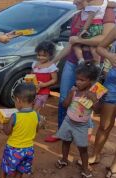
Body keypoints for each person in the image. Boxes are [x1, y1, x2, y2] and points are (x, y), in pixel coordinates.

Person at [45, 0, 115, 142]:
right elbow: (71, 44)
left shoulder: (106, 12)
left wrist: (79, 40)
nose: (73, 1)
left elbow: (104, 39)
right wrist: (53, 61)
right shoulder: (77, 15)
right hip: (73, 62)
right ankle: (61, 131)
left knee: (87, 99)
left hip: (94, 66)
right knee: (64, 97)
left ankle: (83, 131)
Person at [55, 63, 99, 178]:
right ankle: (64, 159)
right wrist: (70, 94)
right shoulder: (74, 91)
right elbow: (64, 105)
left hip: (81, 126)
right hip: (68, 121)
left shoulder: (92, 94)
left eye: (82, 80)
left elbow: (97, 110)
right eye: (77, 79)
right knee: (66, 141)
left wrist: (94, 99)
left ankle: (85, 168)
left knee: (83, 148)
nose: (78, 82)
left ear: (90, 81)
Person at [0, 83, 39, 178]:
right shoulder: (36, 115)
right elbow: (36, 130)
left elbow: (7, 132)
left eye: (14, 101)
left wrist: (4, 122)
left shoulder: (15, 116)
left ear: (18, 100)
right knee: (21, 168)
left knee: (6, 165)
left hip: (14, 148)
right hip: (29, 149)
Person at [85, 26, 116, 178]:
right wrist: (111, 56)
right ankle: (95, 155)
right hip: (113, 84)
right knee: (104, 125)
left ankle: (115, 166)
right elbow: (100, 48)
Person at [73, 0, 108, 67]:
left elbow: (89, 19)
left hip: (91, 28)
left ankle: (81, 61)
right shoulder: (101, 4)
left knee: (76, 44)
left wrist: (84, 30)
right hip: (97, 27)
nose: (74, 2)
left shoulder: (90, 7)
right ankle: (97, 64)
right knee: (93, 47)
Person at [32, 41, 58, 124]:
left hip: (43, 92)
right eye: (39, 55)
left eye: (44, 56)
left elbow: (54, 80)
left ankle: (36, 123)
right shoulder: (34, 64)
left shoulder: (51, 66)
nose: (40, 57)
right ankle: (40, 120)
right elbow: (32, 75)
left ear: (50, 55)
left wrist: (44, 85)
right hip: (33, 91)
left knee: (35, 109)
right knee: (33, 109)